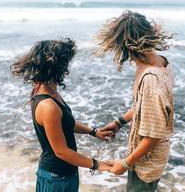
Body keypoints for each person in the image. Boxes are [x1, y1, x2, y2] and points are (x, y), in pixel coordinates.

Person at [10, 38, 113, 192]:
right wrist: (97, 164)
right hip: (55, 178)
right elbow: (61, 151)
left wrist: (93, 132)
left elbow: (66, 123)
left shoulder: (49, 91)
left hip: (66, 174)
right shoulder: (48, 105)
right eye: (65, 62)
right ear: (56, 66)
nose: (67, 67)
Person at [96, 10, 174, 192]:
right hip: (150, 158)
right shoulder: (161, 61)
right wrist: (120, 122)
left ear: (124, 46)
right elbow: (143, 105)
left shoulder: (150, 79)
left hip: (147, 163)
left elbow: (153, 135)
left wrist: (125, 163)